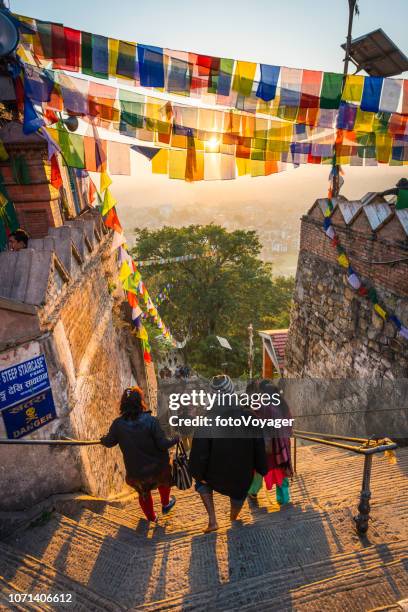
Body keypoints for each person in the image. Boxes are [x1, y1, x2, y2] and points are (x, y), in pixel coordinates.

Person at [189, 374, 268, 533]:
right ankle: (233, 517)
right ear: (232, 392)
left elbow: (200, 452)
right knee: (239, 494)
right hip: (241, 476)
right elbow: (259, 445)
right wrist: (261, 468)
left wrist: (198, 474)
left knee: (200, 484)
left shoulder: (207, 420)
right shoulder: (249, 416)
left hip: (214, 476)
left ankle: (212, 520)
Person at [101, 385, 179, 523]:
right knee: (164, 480)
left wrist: (103, 439)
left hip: (136, 473)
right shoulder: (151, 421)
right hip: (157, 468)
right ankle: (166, 504)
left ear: (123, 404)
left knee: (144, 493)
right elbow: (162, 445)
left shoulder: (117, 425)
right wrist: (175, 440)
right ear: (140, 402)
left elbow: (109, 442)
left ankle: (152, 518)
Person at [247, 379, 293, 505]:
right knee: (281, 471)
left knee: (259, 470)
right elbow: (289, 424)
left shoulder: (259, 405)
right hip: (281, 447)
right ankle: (283, 499)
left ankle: (252, 492)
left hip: (264, 446)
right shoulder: (282, 405)